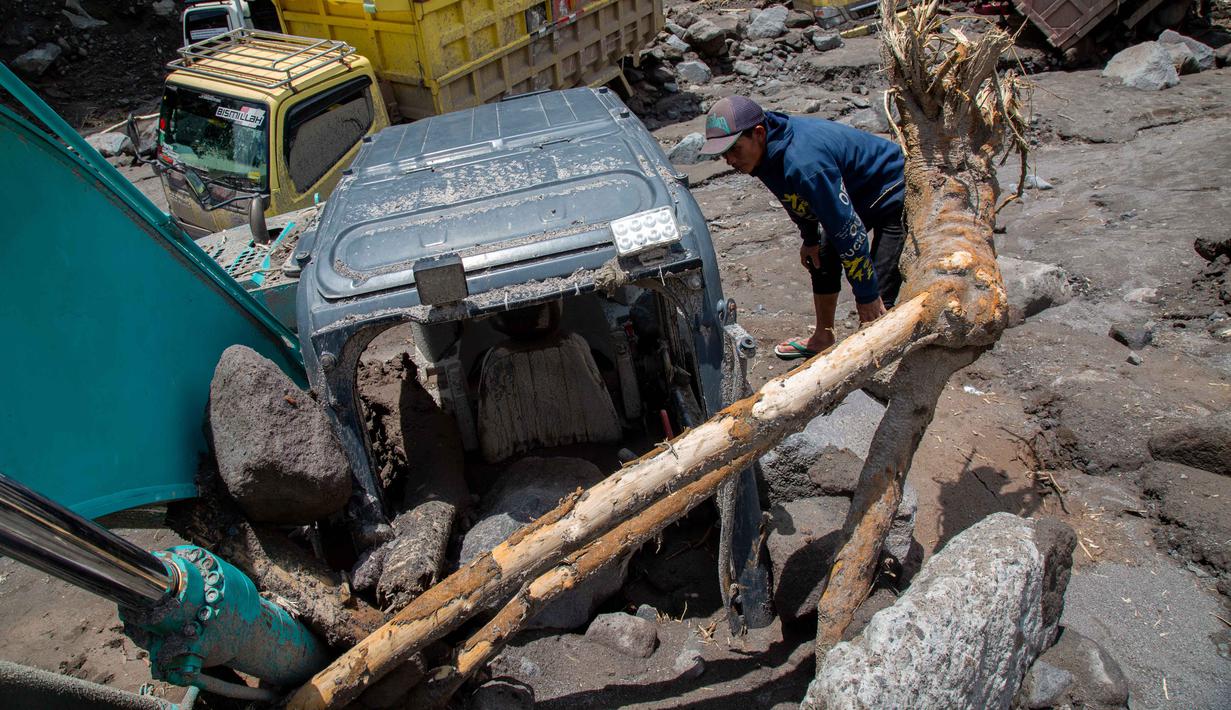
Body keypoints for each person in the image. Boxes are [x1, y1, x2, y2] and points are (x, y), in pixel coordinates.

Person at [698, 95, 907, 360]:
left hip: (891, 193)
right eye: (724, 153)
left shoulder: (804, 163)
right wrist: (809, 238)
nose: (729, 160)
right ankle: (823, 337)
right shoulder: (761, 154)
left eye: (734, 150)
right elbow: (793, 198)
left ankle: (874, 360)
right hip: (852, 194)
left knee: (877, 295)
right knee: (820, 258)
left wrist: (866, 294)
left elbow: (848, 232)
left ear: (758, 133)